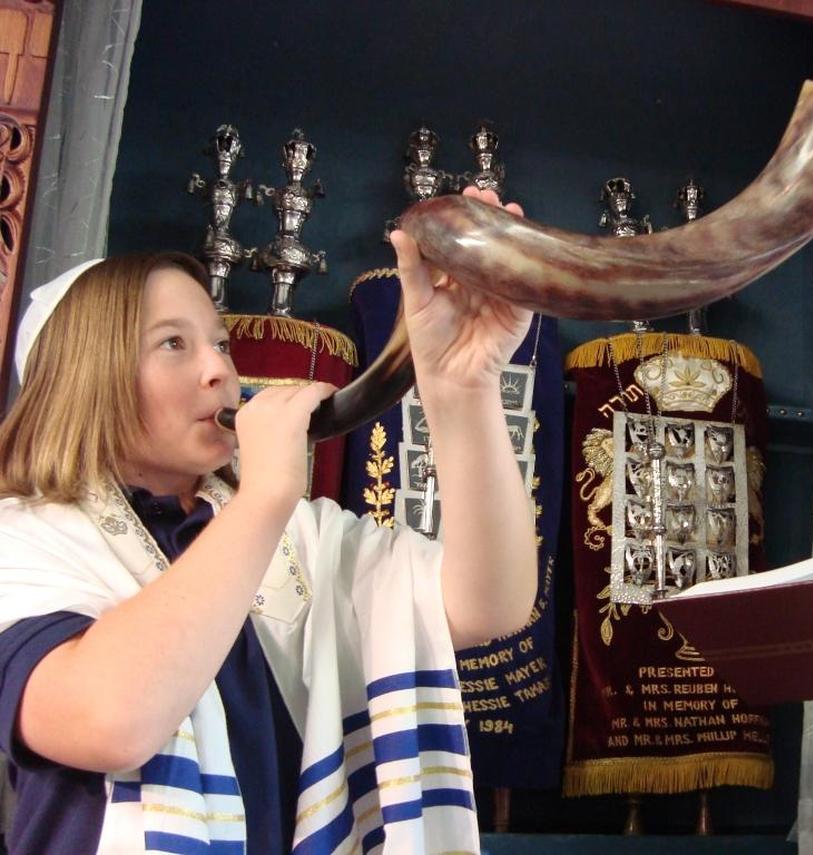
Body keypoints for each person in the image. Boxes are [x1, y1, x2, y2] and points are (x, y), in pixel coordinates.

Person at [0, 187, 538, 853]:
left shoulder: (301, 536)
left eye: (219, 342)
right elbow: (108, 722)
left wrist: (465, 386)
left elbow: (491, 602)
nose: (219, 371)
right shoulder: (23, 538)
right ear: (85, 377)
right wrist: (262, 497)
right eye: (173, 343)